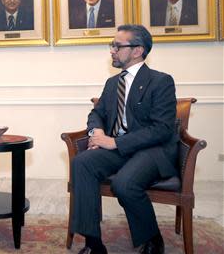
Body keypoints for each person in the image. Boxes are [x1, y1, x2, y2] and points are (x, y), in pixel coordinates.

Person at [71, 24, 178, 254]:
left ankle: (152, 239)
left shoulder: (161, 81)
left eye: (117, 46)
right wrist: (96, 132)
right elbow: (96, 114)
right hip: (118, 150)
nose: (112, 50)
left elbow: (162, 129)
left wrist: (115, 143)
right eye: (112, 45)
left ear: (137, 50)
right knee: (82, 163)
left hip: (151, 151)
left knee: (124, 184)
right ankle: (93, 243)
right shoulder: (113, 83)